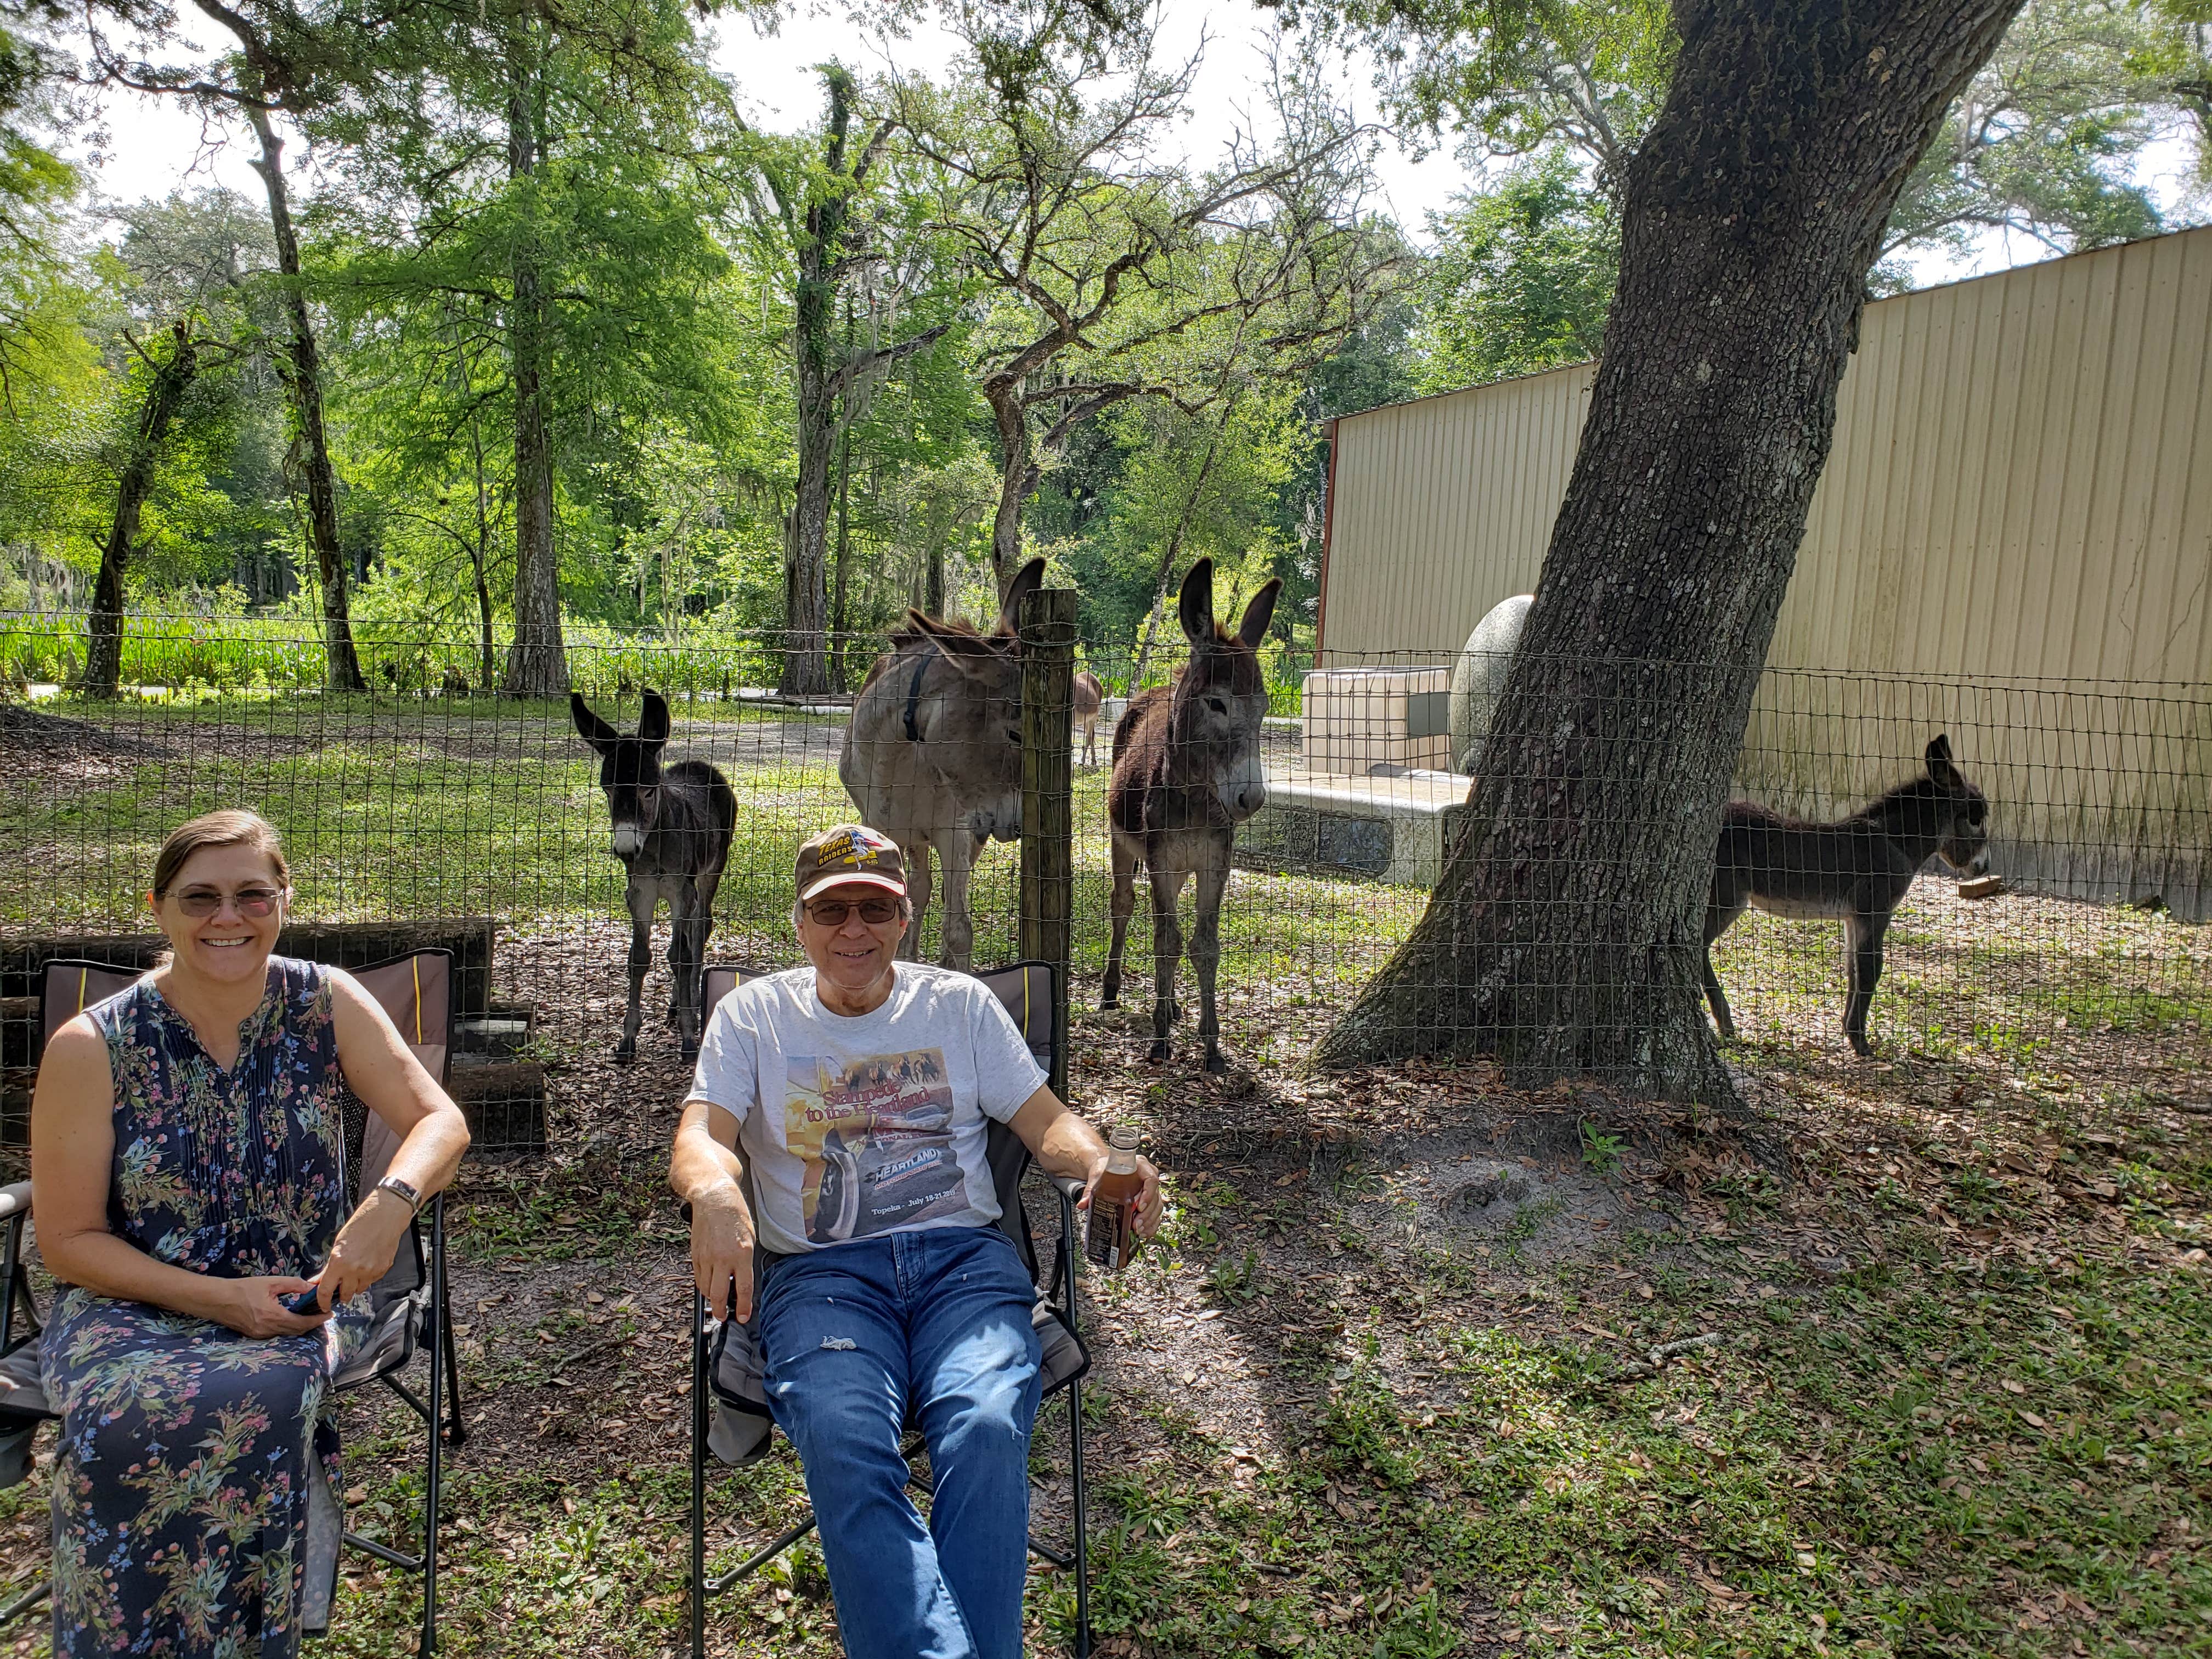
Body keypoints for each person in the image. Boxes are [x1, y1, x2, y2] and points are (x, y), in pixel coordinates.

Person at [670, 823, 1164, 1659]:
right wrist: (716, 1191)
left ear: (906, 919)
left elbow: (1048, 1128)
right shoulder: (752, 1016)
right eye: (833, 910)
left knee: (985, 1422)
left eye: (875, 908)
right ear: (801, 923)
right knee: (840, 1429)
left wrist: (1103, 1164)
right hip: (821, 1282)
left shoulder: (961, 1008)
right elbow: (700, 1135)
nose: (853, 929)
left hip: (964, 1272)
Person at [30, 809, 471, 1658]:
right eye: (199, 898)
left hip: (296, 1294)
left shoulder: (326, 1001)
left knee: (259, 1401)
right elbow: (69, 1242)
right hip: (131, 1303)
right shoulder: (92, 1045)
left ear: (283, 901)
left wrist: (390, 1201)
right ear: (158, 908)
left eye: (250, 896)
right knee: (121, 1419)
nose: (226, 918)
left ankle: (249, 1637)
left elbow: (439, 1121)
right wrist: (216, 1300)